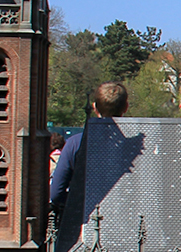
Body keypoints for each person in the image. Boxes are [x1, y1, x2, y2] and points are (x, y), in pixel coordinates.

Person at [50, 82, 127, 210]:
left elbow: (56, 193)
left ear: (95, 107)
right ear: (126, 107)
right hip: (125, 215)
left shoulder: (75, 144)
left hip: (85, 218)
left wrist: (77, 203)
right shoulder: (135, 146)